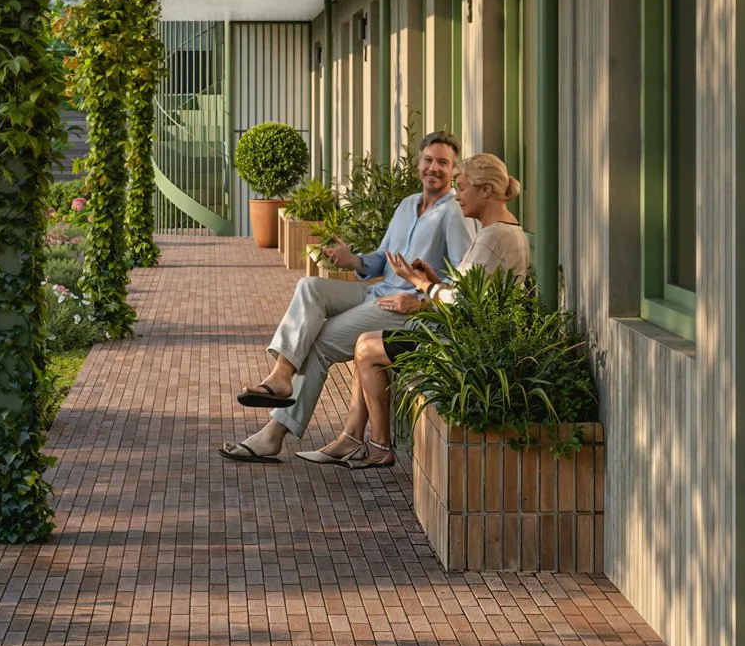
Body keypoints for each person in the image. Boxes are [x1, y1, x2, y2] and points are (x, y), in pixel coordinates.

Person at [217, 132, 471, 463]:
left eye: (442, 162)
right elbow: (382, 257)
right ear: (418, 163)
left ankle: (273, 435)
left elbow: (463, 282)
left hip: (402, 308)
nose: (433, 168)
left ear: (453, 169)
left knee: (320, 341)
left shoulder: (454, 214)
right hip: (375, 292)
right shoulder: (407, 205)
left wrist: (422, 301)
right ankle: (281, 376)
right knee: (310, 286)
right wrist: (355, 261)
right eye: (428, 160)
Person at [300, 153, 533, 470]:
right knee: (367, 341)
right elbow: (473, 292)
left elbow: (461, 303)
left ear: (486, 190)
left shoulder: (493, 236)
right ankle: (361, 440)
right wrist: (433, 280)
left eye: (463, 187)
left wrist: (418, 284)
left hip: (463, 344)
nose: (458, 196)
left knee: (367, 348)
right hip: (467, 334)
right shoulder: (498, 232)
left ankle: (378, 446)